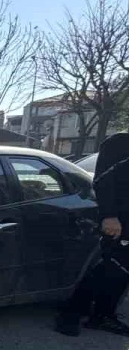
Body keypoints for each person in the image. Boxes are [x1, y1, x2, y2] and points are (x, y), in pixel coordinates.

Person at [56, 133, 129, 337]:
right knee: (107, 267)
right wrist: (110, 215)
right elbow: (103, 181)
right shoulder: (120, 144)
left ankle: (104, 315)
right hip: (118, 221)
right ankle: (70, 314)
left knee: (122, 272)